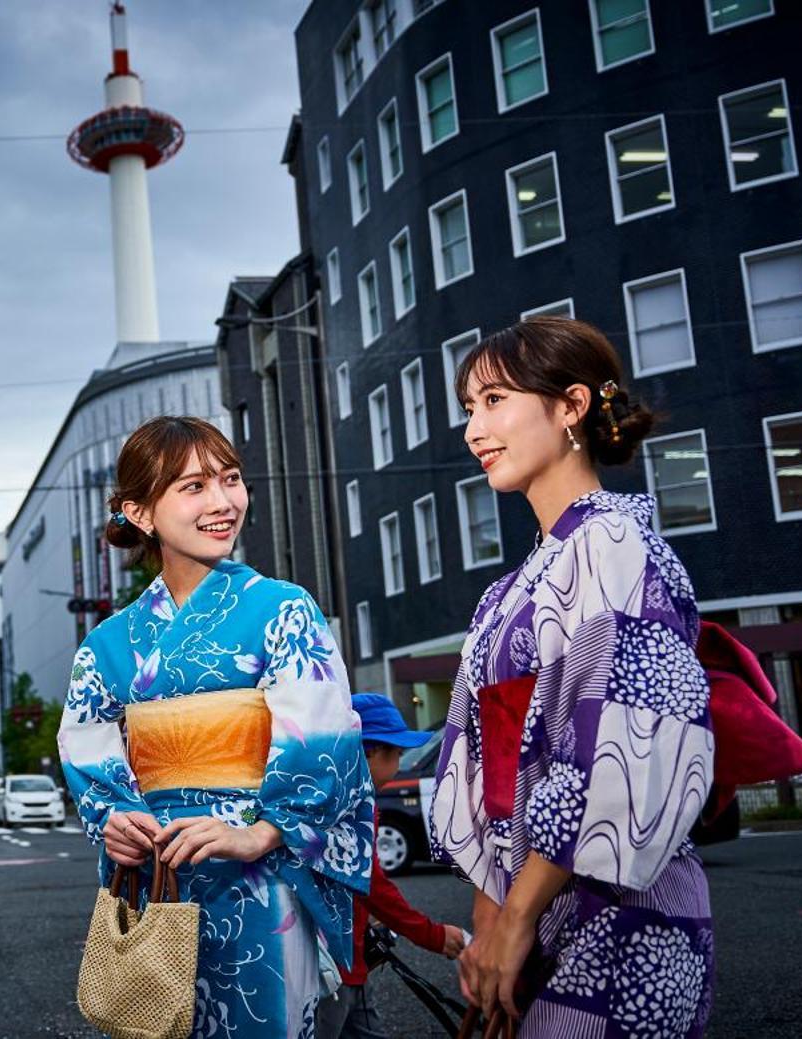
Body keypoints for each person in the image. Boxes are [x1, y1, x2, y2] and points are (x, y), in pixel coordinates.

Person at [432, 317, 715, 1035]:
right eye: (469, 408)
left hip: (619, 908)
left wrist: (514, 911)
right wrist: (491, 913)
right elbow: (484, 763)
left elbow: (618, 746)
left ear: (571, 406)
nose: (474, 429)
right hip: (533, 900)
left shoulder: (615, 543)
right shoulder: (512, 586)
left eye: (494, 400)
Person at [59, 415, 373, 1037]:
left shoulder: (282, 609)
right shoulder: (107, 644)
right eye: (194, 487)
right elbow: (88, 751)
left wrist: (264, 832)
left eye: (230, 480)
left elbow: (325, 733)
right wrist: (115, 821)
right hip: (164, 875)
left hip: (262, 875)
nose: (224, 502)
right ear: (140, 513)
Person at [316, 693, 468, 1038]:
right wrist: (432, 934)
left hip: (344, 957)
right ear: (368, 751)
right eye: (396, 754)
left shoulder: (334, 796)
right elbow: (372, 883)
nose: (399, 763)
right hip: (335, 966)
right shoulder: (350, 807)